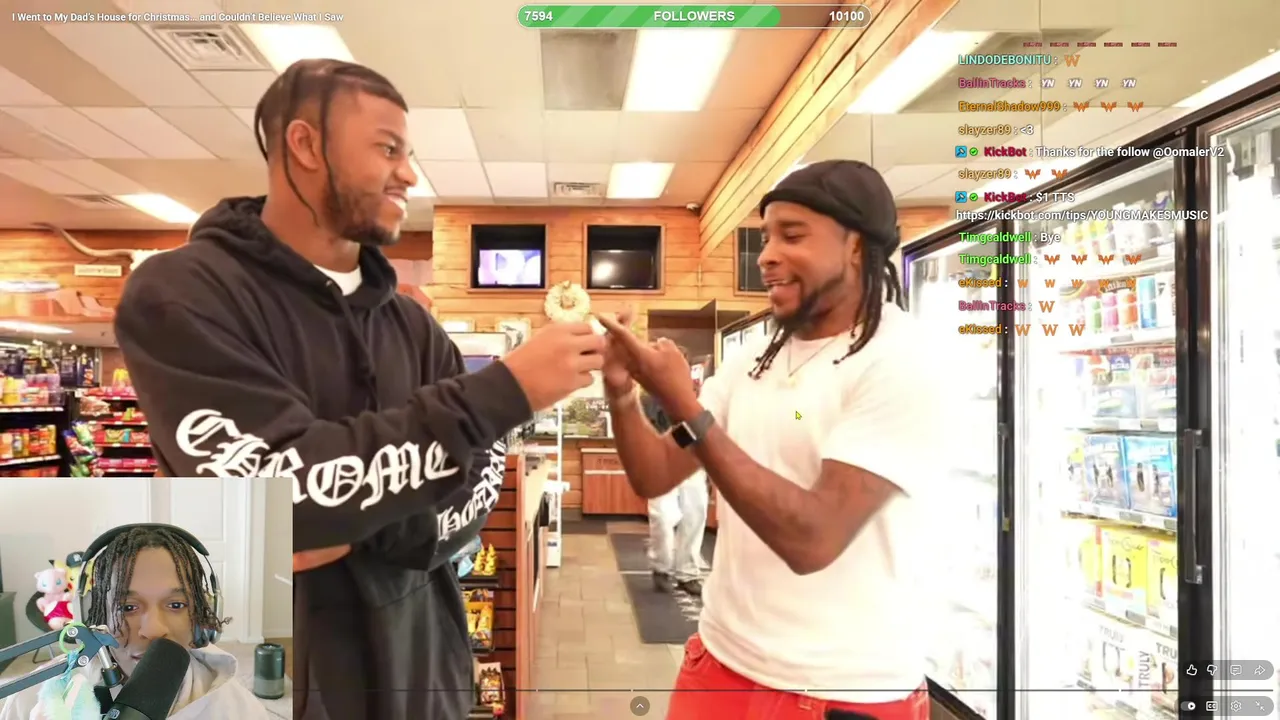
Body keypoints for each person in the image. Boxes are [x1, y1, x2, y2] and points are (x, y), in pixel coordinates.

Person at [111, 58, 605, 720]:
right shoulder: (183, 294)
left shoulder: (413, 325)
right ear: (305, 144)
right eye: (388, 148)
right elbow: (282, 493)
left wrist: (352, 522)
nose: (409, 174)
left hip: (424, 679)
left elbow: (477, 490)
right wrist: (502, 393)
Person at [597, 160, 952, 720]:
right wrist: (621, 393)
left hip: (841, 691)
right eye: (765, 237)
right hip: (718, 660)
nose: (765, 255)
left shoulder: (903, 360)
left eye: (792, 235)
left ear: (855, 245)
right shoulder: (752, 359)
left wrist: (685, 404)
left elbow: (812, 540)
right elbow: (655, 473)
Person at [0, 526, 267, 719]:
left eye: (176, 605)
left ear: (199, 616)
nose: (153, 630)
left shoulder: (238, 709)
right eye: (128, 607)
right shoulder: (32, 698)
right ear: (93, 616)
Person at [640, 364, 708, 597]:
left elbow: (797, 414)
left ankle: (687, 572)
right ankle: (661, 566)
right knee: (663, 517)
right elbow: (649, 435)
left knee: (695, 515)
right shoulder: (647, 401)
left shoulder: (697, 398)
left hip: (692, 462)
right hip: (660, 463)